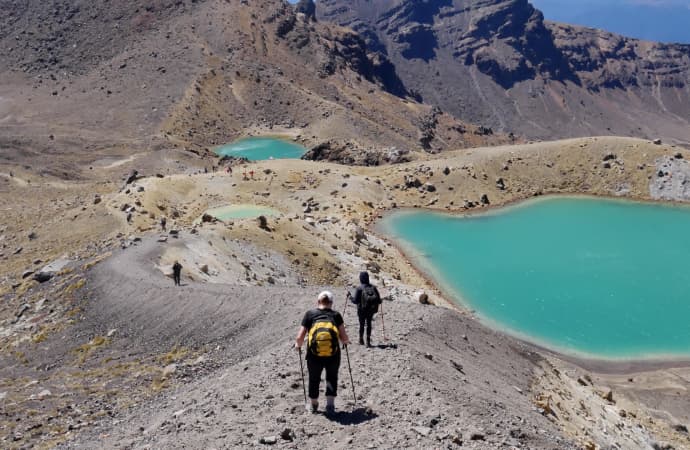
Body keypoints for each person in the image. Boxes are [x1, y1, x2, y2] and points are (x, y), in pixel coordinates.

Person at [295, 291, 350, 415]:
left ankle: (313, 405)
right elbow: (344, 336)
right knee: (331, 377)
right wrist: (346, 342)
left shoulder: (310, 314)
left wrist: (298, 345)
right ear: (331, 303)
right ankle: (330, 406)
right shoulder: (336, 315)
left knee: (314, 378)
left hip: (314, 355)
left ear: (318, 302)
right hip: (333, 354)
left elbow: (299, 337)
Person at [351, 271, 382, 347]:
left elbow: (355, 301)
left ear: (361, 278)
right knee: (369, 324)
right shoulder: (373, 287)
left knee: (361, 324)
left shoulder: (359, 288)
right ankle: (368, 341)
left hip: (361, 310)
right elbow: (379, 300)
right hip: (371, 310)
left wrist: (350, 297)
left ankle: (361, 339)